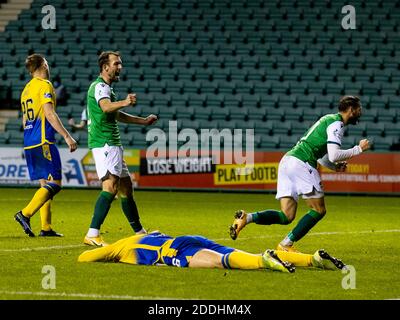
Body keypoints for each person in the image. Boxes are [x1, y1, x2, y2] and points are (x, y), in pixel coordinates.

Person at [230, 96, 371, 251]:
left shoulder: (328, 120)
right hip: (301, 164)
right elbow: (334, 155)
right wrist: (358, 149)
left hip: (288, 161)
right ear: (351, 109)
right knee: (318, 210)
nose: (360, 112)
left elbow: (324, 157)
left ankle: (246, 218)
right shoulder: (337, 125)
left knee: (286, 216)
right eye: (359, 109)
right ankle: (286, 244)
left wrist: (334, 167)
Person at [84, 51, 158, 247]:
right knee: (111, 187)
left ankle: (140, 233)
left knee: (126, 189)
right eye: (116, 63)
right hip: (106, 142)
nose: (120, 67)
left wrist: (141, 121)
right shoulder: (100, 86)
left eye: (120, 63)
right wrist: (125, 101)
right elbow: (107, 108)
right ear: (105, 67)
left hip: (110, 141)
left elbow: (115, 115)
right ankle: (92, 233)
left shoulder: (106, 88)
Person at [14, 53, 77, 237]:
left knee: (45, 185)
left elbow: (25, 121)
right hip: (43, 141)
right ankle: (24, 214)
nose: (49, 67)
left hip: (30, 141)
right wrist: (67, 136)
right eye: (47, 63)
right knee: (55, 183)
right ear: (42, 65)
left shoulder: (26, 90)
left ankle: (46, 228)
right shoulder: (45, 85)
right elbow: (49, 114)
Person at [78, 231, 346, 272]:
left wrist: (106, 249)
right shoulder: (144, 234)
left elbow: (84, 257)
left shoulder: (119, 248)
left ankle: (264, 261)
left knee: (222, 263)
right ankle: (313, 259)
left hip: (173, 250)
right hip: (187, 237)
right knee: (233, 252)